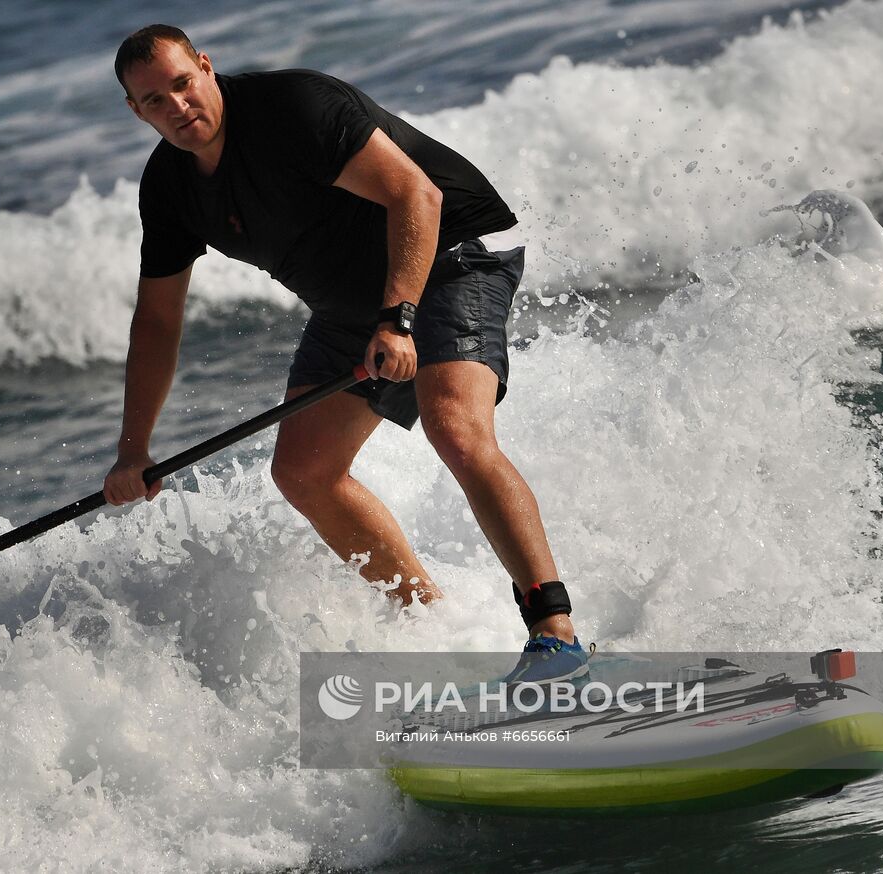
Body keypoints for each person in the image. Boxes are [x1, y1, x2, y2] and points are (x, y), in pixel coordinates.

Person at [102, 25, 587, 683]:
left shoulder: (294, 108)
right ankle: (436, 630)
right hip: (349, 310)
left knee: (456, 428)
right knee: (304, 471)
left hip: (444, 258)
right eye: (155, 101)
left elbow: (417, 195)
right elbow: (157, 321)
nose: (178, 107)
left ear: (206, 68)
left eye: (182, 84)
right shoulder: (169, 189)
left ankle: (555, 635)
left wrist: (398, 318)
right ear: (137, 111)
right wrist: (135, 449)